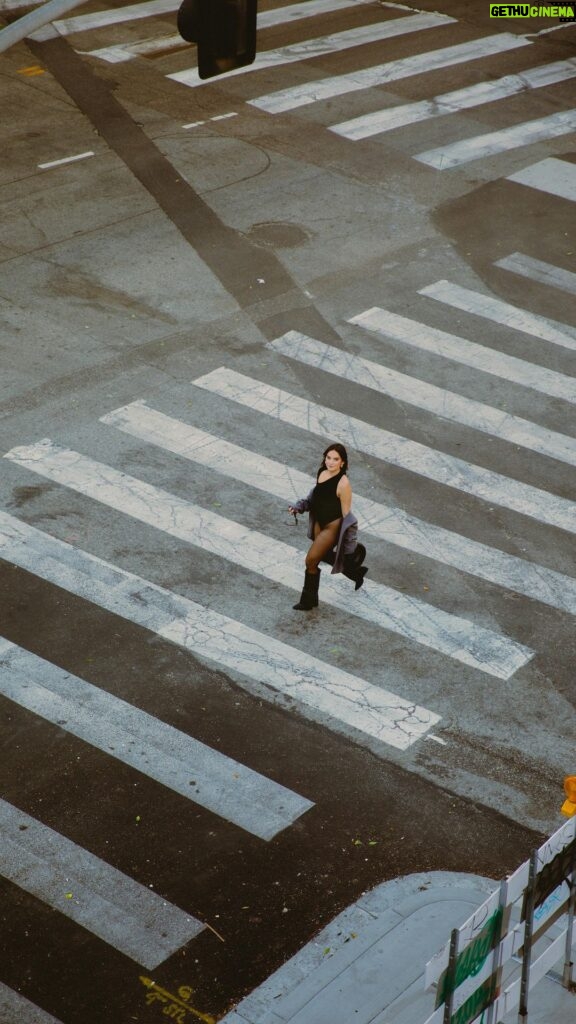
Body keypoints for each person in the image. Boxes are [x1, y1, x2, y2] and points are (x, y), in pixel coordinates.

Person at [288, 443, 368, 611]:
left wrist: (349, 548)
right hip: (319, 521)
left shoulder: (343, 483)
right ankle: (355, 572)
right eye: (328, 458)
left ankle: (308, 601)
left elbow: (348, 518)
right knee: (321, 556)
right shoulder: (322, 473)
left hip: (332, 526)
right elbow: (314, 497)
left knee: (310, 560)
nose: (331, 462)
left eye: (335, 459)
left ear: (343, 463)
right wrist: (299, 507)